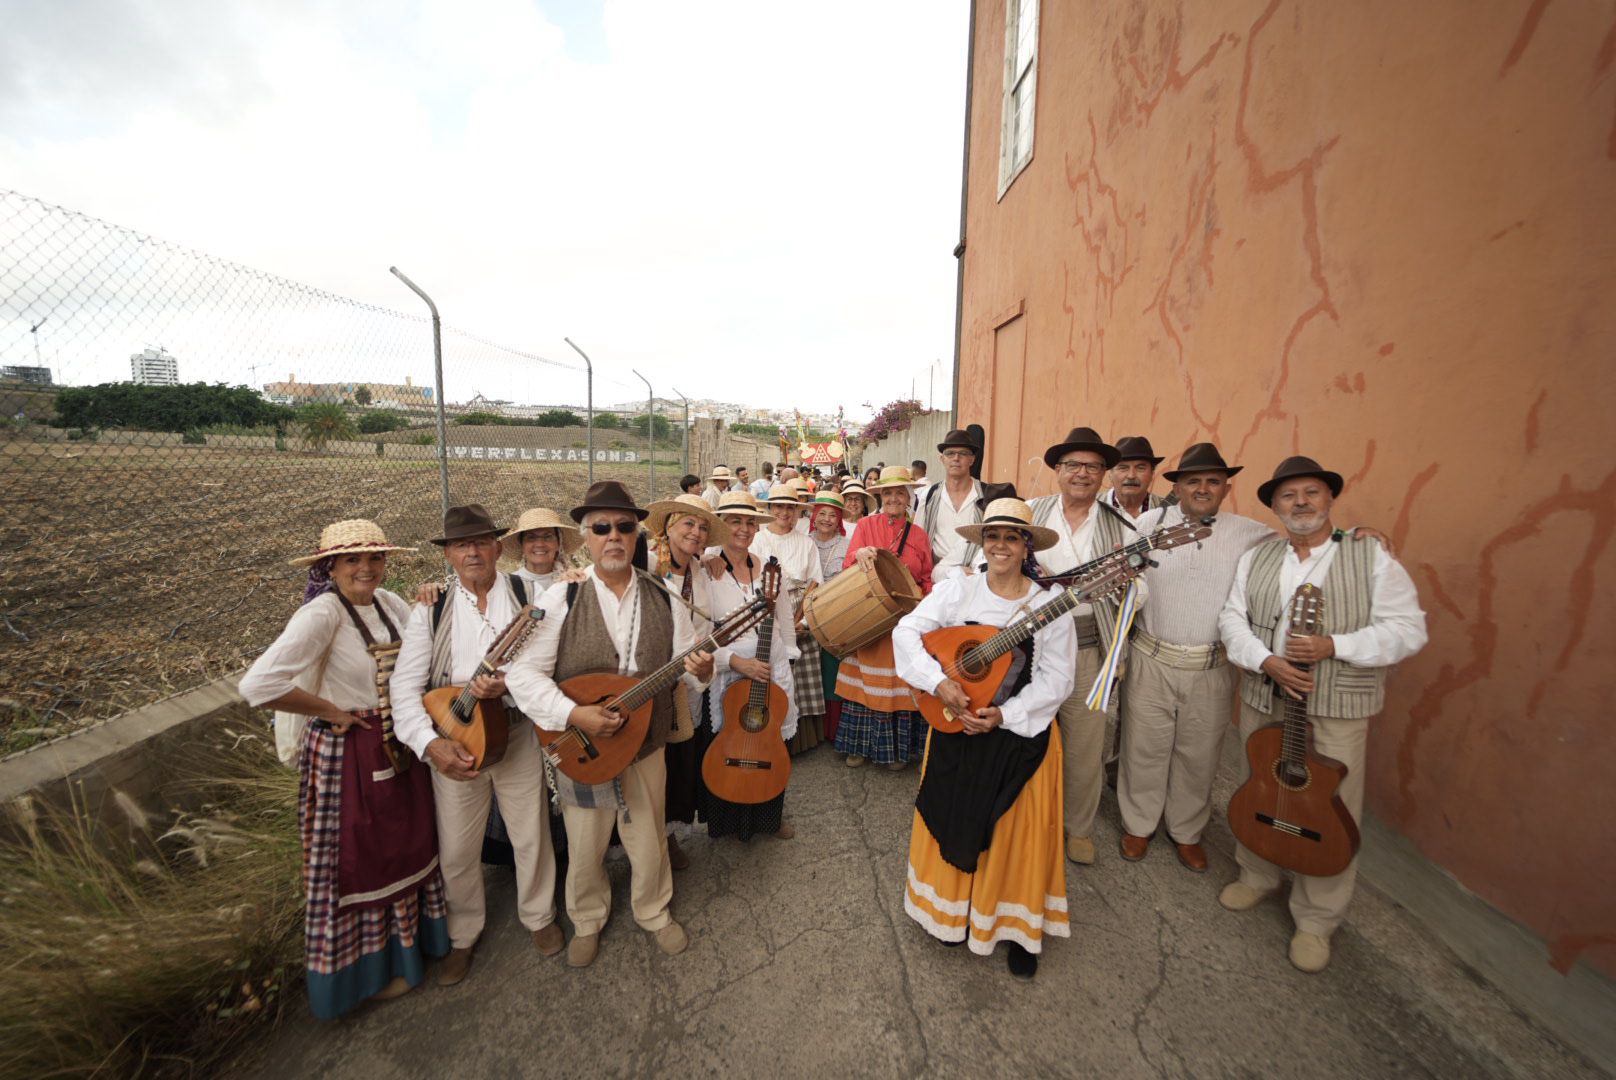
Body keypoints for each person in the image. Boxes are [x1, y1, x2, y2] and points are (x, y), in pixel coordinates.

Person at [1217, 456, 1427, 973]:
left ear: (1329, 498)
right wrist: (1265, 660)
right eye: (1289, 497)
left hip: (1336, 703)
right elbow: (1232, 617)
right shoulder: (1259, 556)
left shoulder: (1369, 557)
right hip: (1267, 693)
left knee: (1331, 808)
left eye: (1311, 493)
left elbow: (1409, 630)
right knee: (1261, 785)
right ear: (1276, 507)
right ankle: (1258, 874)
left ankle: (1316, 918)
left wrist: (1336, 644)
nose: (1301, 504)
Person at [240, 520, 448, 1018]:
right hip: (349, 751)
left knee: (406, 845)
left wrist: (432, 596)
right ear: (329, 567)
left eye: (374, 558)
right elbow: (257, 685)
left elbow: (430, 638)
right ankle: (363, 977)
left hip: (399, 743)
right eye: (352, 559)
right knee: (357, 859)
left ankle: (411, 954)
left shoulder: (391, 605)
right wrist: (330, 710)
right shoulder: (321, 614)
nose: (365, 568)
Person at [505, 482, 715, 968]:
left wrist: (701, 671)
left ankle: (654, 910)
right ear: (586, 539)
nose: (614, 536)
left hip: (646, 742)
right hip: (581, 742)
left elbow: (687, 663)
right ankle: (587, 918)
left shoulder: (663, 594)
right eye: (601, 528)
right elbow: (521, 673)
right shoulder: (562, 598)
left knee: (648, 833)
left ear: (637, 534)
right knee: (586, 839)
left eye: (624, 527)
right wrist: (575, 714)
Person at [893, 498, 1076, 979]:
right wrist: (939, 683)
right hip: (956, 725)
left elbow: (1058, 679)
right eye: (992, 536)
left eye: (1012, 537)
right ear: (981, 543)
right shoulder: (959, 591)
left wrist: (1005, 714)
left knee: (1015, 836)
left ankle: (1017, 929)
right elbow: (907, 631)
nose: (1000, 545)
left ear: (1026, 546)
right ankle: (951, 916)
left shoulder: (1045, 604)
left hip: (1020, 734)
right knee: (951, 816)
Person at [390, 505, 562, 985]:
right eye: (461, 545)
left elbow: (550, 664)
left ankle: (540, 916)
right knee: (458, 848)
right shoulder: (431, 608)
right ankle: (463, 935)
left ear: (499, 547)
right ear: (447, 554)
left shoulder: (529, 594)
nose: (473, 552)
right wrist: (430, 746)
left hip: (515, 732)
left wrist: (508, 686)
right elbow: (404, 690)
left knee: (531, 832)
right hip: (455, 739)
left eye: (482, 542)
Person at [1115, 444, 1274, 871]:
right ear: (1178, 486)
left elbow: (1301, 545)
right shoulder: (1149, 524)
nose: (1203, 488)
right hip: (1152, 656)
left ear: (1225, 487)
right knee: (1143, 748)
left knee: (1199, 753)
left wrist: (1349, 538)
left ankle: (1186, 831)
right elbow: (1125, 577)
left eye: (1212, 481)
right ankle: (1139, 823)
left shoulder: (1251, 534)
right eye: (1193, 480)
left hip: (1212, 665)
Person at [1028, 427, 1140, 867]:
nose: (1082, 473)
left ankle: (1078, 828)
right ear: (1057, 470)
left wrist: (1121, 587)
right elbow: (986, 560)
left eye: (1092, 467)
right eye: (1073, 465)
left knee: (1084, 742)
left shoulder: (1122, 527)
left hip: (1089, 646)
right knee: (1027, 732)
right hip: (1030, 646)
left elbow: (1141, 592)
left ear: (1103, 475)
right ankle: (1028, 818)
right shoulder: (1030, 512)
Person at [701, 491, 800, 838]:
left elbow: (785, 619)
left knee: (772, 741)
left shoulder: (769, 568)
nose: (743, 529)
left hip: (772, 672)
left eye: (749, 522)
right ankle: (729, 823)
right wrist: (736, 662)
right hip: (731, 674)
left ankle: (768, 819)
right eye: (735, 521)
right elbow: (697, 639)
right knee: (733, 741)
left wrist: (786, 660)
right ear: (721, 526)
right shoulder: (707, 570)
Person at [643, 493, 731, 871]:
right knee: (647, 766)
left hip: (687, 684)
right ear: (668, 527)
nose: (695, 533)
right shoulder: (644, 563)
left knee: (678, 763)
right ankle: (646, 844)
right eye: (688, 524)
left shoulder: (700, 570)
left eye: (702, 527)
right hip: (649, 682)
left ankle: (669, 837)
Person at [833, 466, 934, 770]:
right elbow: (848, 565)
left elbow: (927, 577)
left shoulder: (918, 534)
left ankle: (896, 751)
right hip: (870, 614)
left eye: (899, 493)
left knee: (898, 686)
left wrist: (924, 606)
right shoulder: (865, 526)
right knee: (864, 685)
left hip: (905, 618)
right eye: (887, 493)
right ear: (879, 496)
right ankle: (858, 746)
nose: (893, 498)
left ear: (908, 497)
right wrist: (859, 555)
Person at [752, 483, 828, 752]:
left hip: (800, 609)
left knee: (802, 673)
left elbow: (815, 583)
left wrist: (803, 621)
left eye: (790, 507)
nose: (784, 512)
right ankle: (766, 732)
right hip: (768, 609)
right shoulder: (758, 539)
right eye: (779, 506)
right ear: (770, 509)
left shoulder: (806, 542)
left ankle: (799, 739)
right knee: (771, 671)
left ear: (797, 511)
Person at [915, 429, 984, 581]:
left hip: (974, 577)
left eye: (963, 453)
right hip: (937, 577)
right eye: (950, 453)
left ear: (972, 459)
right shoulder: (929, 495)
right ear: (942, 459)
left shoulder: (986, 495)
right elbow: (918, 540)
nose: (956, 458)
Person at [1104, 436, 1168, 519]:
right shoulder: (1091, 506)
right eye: (1123, 468)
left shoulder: (1168, 510)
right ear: (1110, 474)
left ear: (1152, 473)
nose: (1131, 476)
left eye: (1140, 468)